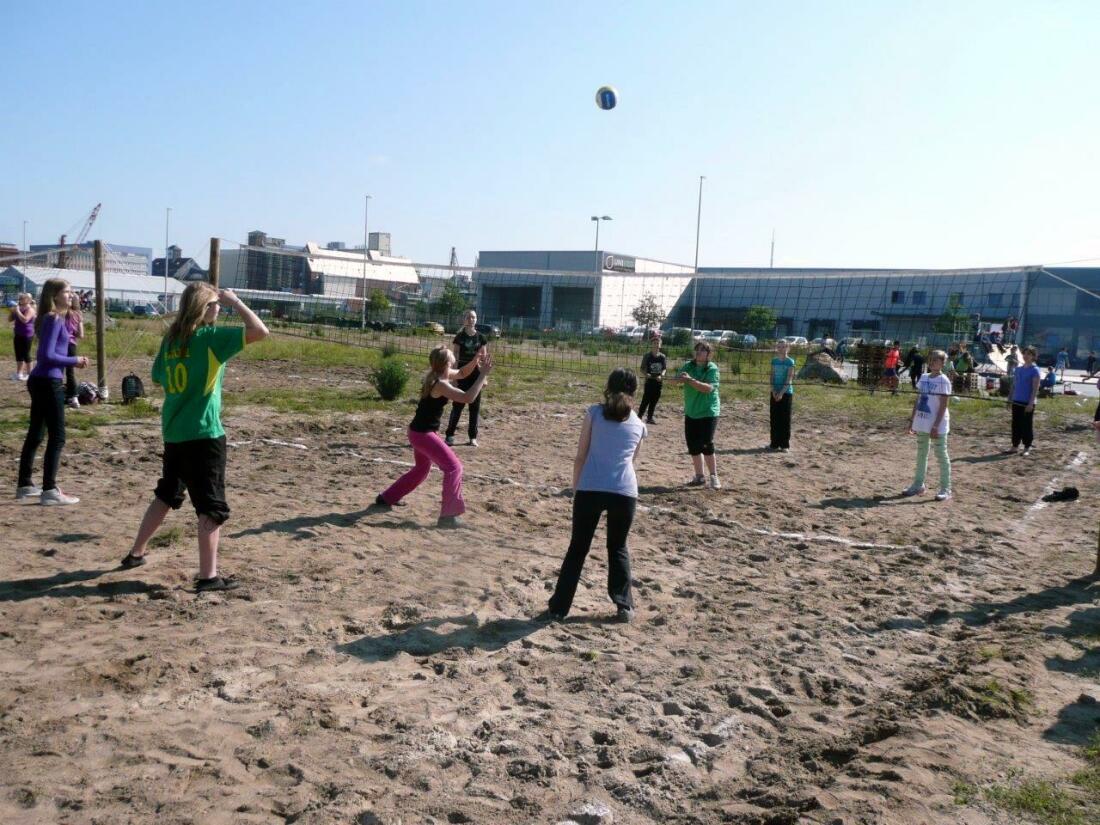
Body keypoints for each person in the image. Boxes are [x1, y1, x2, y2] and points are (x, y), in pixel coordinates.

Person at [120, 285, 270, 591]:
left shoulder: (171, 339)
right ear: (203, 309)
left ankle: (136, 553)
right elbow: (260, 331)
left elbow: (158, 376)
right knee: (210, 506)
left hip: (174, 431)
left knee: (167, 493)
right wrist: (237, 301)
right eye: (216, 304)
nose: (220, 308)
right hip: (204, 434)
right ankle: (208, 576)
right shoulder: (210, 338)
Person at [545, 368, 646, 623]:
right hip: (625, 492)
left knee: (577, 549)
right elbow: (632, 460)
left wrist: (576, 489)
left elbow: (581, 456)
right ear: (634, 392)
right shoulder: (639, 424)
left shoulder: (594, 413)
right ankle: (624, 606)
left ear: (608, 388)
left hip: (590, 488)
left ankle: (558, 609)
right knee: (618, 548)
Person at [377, 344, 493, 528]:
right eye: (451, 357)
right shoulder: (441, 384)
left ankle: (387, 498)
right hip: (422, 434)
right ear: (446, 364)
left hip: (417, 432)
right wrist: (483, 375)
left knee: (421, 469)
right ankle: (448, 516)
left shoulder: (437, 375)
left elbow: (462, 373)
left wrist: (475, 361)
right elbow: (468, 398)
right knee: (454, 468)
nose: (454, 357)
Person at [16, 280, 88, 505]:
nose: (71, 295)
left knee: (36, 433)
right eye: (66, 292)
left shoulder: (50, 318)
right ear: (55, 295)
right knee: (57, 436)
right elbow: (46, 356)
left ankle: (25, 484)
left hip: (40, 380)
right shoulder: (54, 318)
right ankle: (50, 490)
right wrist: (75, 360)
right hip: (48, 382)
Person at [665, 340, 721, 489]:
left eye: (702, 350)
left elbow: (708, 389)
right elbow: (673, 382)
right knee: (693, 446)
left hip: (709, 411)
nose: (698, 352)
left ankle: (714, 476)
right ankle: (699, 476)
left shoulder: (712, 368)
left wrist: (690, 380)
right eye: (697, 350)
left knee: (706, 444)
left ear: (708, 354)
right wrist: (677, 379)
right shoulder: (688, 366)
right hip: (692, 411)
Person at [903, 349, 952, 501]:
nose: (932, 362)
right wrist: (912, 420)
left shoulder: (944, 380)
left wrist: (936, 426)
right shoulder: (923, 377)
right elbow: (918, 400)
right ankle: (918, 485)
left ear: (943, 363)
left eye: (936, 360)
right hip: (922, 422)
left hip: (937, 424)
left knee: (941, 455)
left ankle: (946, 488)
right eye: (931, 359)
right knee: (921, 454)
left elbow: (944, 405)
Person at [444, 309, 488, 447]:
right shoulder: (459, 337)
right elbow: (455, 358)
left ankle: (472, 437)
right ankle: (449, 435)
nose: (471, 319)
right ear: (464, 320)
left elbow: (483, 360)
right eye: (469, 317)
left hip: (475, 376)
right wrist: (454, 377)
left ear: (477, 319)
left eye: (473, 317)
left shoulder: (481, 338)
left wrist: (483, 377)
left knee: (474, 408)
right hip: (462, 374)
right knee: (457, 406)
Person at [1008, 345, 1041, 456]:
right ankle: (1014, 445)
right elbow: (1014, 385)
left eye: (1029, 354)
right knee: (1015, 424)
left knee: (1026, 424)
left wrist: (1031, 403)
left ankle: (1027, 447)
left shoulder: (1035, 370)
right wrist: (1009, 398)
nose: (1026, 356)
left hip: (1027, 402)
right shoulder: (1018, 369)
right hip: (1016, 400)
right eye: (1024, 353)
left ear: (1033, 356)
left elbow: (1035, 388)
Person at [769, 339, 795, 451]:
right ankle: (774, 443)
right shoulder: (774, 361)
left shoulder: (790, 362)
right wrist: (774, 391)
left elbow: (789, 379)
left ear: (787, 348)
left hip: (786, 392)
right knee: (774, 418)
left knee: (785, 419)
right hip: (775, 392)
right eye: (779, 347)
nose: (781, 349)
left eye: (783, 347)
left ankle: (784, 445)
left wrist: (781, 393)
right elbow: (771, 377)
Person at [637, 331, 667, 424]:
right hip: (649, 381)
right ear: (651, 345)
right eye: (654, 343)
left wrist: (662, 375)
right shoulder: (647, 356)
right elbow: (641, 369)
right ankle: (639, 416)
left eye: (658, 343)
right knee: (645, 400)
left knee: (654, 401)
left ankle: (649, 418)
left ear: (660, 345)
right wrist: (647, 375)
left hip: (658, 382)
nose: (656, 345)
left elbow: (664, 369)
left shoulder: (662, 357)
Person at [63, 293, 85, 409]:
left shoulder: (62, 313)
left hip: (60, 344)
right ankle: (74, 398)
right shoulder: (78, 314)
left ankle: (57, 395)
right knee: (70, 372)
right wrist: (73, 332)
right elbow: (81, 334)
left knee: (58, 370)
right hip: (71, 344)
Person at [10, 292, 35, 381]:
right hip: (18, 334)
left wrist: (17, 311)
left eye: (22, 298)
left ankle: (30, 374)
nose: (20, 299)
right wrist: (13, 311)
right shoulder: (18, 308)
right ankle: (19, 374)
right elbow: (10, 319)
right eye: (19, 298)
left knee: (26, 354)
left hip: (27, 334)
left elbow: (25, 320)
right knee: (18, 354)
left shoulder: (30, 309)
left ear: (27, 300)